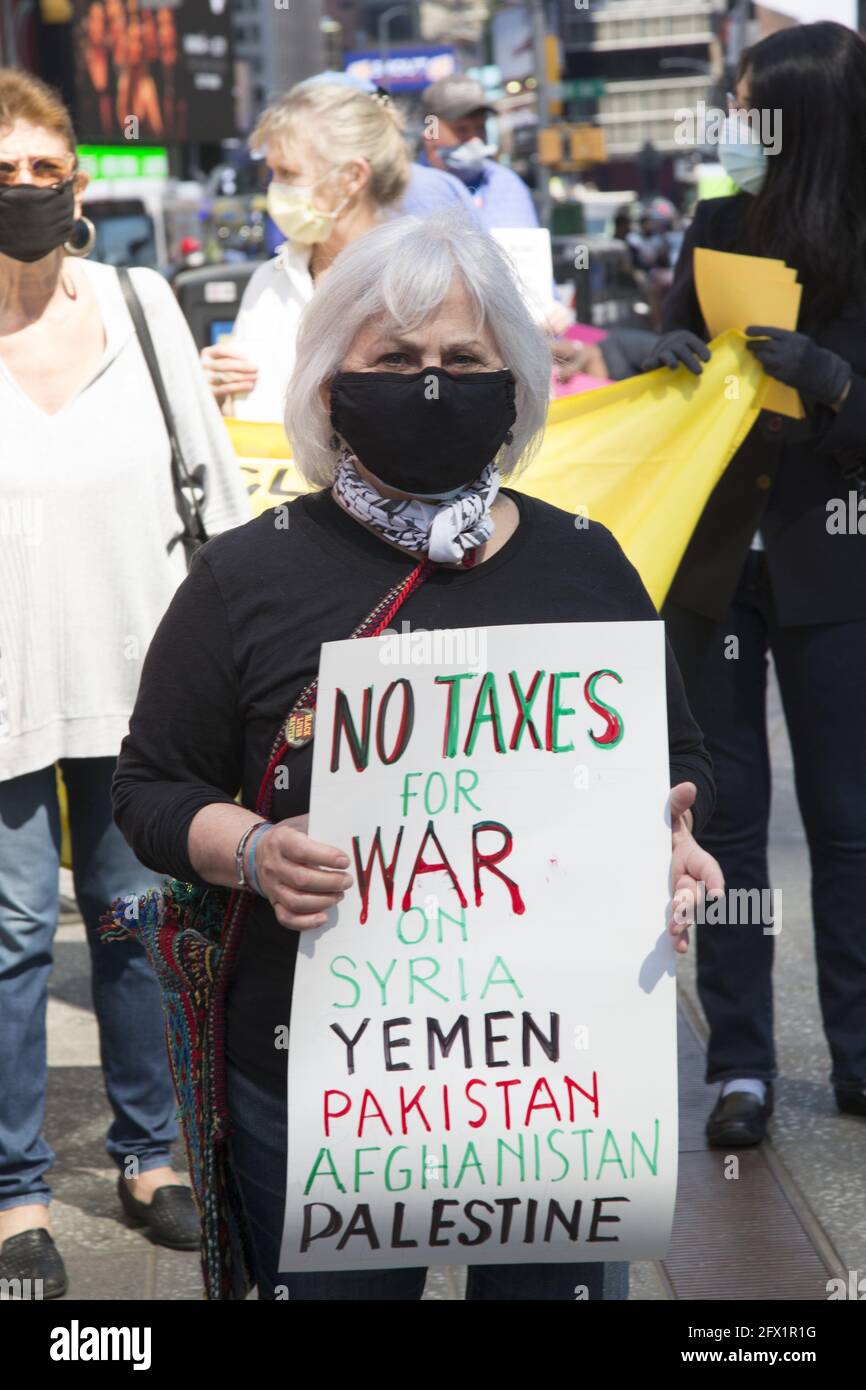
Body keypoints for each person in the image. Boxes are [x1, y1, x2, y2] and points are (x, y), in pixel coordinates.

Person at [113, 211, 722, 1301]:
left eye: (461, 360)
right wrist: (252, 849)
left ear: (514, 383)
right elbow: (150, 790)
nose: (430, 383)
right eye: (394, 359)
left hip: (558, 1073)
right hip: (311, 1076)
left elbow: (680, 756)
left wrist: (673, 835)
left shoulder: (586, 564)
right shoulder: (247, 577)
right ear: (330, 385)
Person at [0, 68, 250, 1297]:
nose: (27, 190)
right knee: (6, 938)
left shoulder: (142, 306)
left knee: (139, 924)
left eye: (47, 169)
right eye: (5, 172)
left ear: (80, 183)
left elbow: (218, 492)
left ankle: (153, 1158)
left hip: (137, 678)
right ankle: (15, 1193)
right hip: (1, 685)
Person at [643, 21, 866, 1145]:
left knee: (846, 822)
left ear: (806, 116)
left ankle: (858, 1055)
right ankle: (738, 1068)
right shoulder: (720, 217)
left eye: (748, 104)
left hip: (838, 563)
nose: (733, 124)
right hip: (717, 566)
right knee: (723, 821)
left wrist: (832, 384)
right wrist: (660, 350)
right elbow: (672, 333)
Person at [200, 79, 412, 422]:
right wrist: (215, 389)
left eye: (288, 172)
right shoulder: (269, 280)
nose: (274, 188)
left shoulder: (421, 283)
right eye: (271, 172)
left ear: (352, 177)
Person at [419, 75, 539, 232]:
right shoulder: (405, 185)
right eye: (461, 129)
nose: (475, 139)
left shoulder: (503, 182)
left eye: (480, 128)